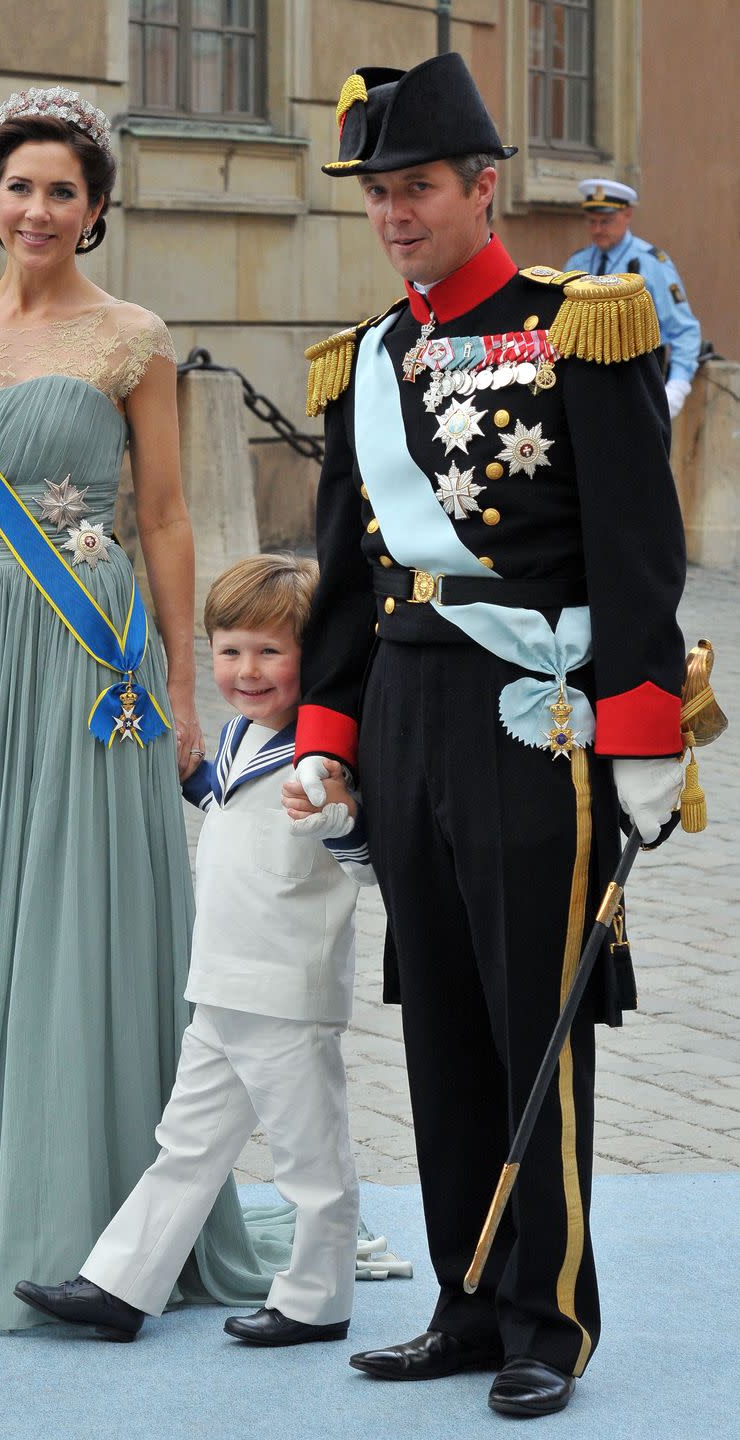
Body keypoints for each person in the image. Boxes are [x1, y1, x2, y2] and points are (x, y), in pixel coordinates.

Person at [0, 87, 297, 1331]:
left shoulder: (133, 338)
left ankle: (98, 1215)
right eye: (19, 186)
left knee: (80, 912)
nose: (37, 208)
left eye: (63, 190)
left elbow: (160, 514)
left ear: (94, 211)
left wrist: (179, 671)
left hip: (89, 651)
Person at [288, 55, 687, 1417]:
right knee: (441, 1019)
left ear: (482, 188)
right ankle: (464, 1299)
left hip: (538, 712)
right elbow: (344, 574)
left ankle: (545, 1318)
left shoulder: (584, 323)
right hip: (405, 707)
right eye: (379, 194)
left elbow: (639, 544)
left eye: (418, 189)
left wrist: (642, 732)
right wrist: (324, 734)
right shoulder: (368, 357)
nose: (395, 214)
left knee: (535, 1013)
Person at [14, 553, 375, 1347]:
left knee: (308, 1158)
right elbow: (226, 799)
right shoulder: (246, 735)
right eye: (230, 650)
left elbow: (369, 859)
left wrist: (340, 819)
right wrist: (182, 771)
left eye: (271, 652)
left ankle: (318, 1300)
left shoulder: (333, 757)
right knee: (186, 1145)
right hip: (218, 980)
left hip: (285, 986)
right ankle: (120, 1284)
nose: (247, 672)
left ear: (316, 659)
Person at [565, 178, 701, 418]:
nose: (597, 230)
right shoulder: (578, 263)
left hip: (639, 385)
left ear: (627, 214)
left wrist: (677, 387)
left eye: (605, 222)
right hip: (587, 388)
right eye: (592, 222)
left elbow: (684, 330)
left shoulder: (652, 264)